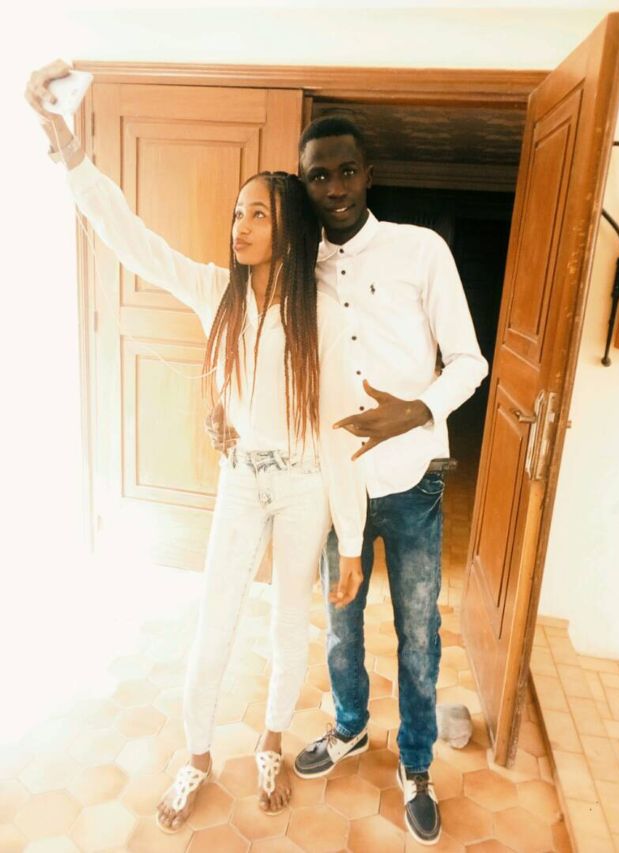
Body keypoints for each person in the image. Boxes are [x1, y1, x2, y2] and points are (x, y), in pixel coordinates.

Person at [25, 63, 366, 832]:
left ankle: (272, 740)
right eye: (237, 211)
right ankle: (198, 754)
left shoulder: (326, 313)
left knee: (287, 622)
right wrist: (65, 144)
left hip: (306, 483)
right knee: (215, 619)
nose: (239, 224)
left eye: (257, 214)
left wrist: (350, 538)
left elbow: (342, 429)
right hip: (242, 478)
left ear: (289, 226)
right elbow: (130, 239)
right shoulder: (218, 291)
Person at [293, 116, 489, 846]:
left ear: (368, 174)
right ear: (305, 186)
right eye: (319, 175)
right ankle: (348, 725)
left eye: (346, 170)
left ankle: (416, 761)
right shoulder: (298, 269)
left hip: (412, 482)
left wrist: (417, 409)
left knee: (417, 631)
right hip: (335, 486)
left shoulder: (421, 249)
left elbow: (470, 361)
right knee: (340, 624)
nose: (335, 187)